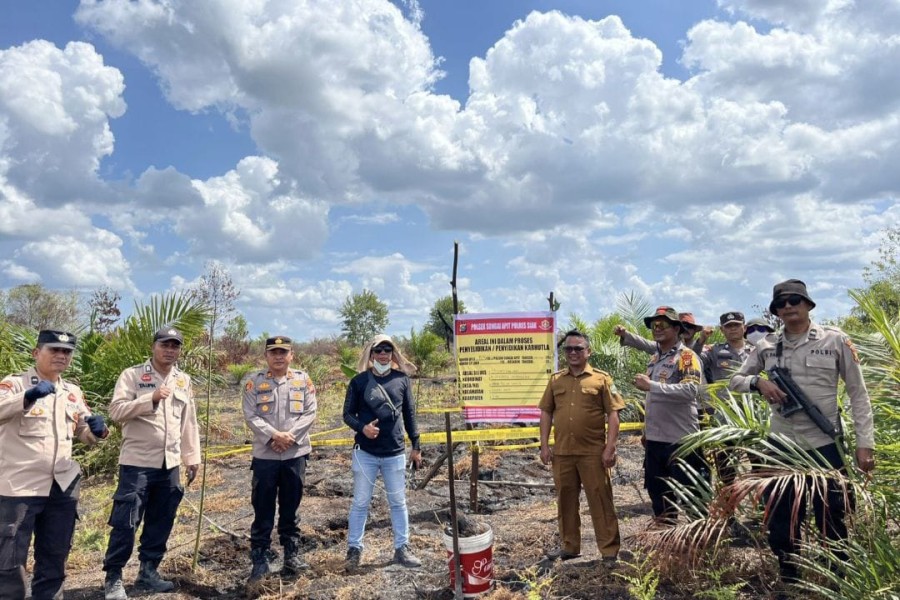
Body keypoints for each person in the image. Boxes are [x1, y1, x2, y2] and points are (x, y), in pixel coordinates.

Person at [730, 279, 875, 586]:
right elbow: (736, 380)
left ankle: (836, 580)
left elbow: (858, 394)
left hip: (824, 444)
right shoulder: (766, 346)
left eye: (795, 300)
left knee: (832, 516)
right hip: (781, 446)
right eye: (781, 304)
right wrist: (759, 383)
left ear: (808, 304)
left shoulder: (835, 340)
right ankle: (790, 578)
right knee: (782, 519)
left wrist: (866, 444)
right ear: (775, 312)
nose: (788, 307)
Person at [0, 330, 108, 600]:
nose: (61, 356)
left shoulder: (72, 392)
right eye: (54, 350)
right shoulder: (14, 384)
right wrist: (27, 397)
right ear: (37, 353)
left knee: (55, 556)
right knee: (9, 561)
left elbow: (84, 432)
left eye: (67, 352)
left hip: (62, 485)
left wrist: (98, 431)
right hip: (19, 486)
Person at [102, 327, 201, 600]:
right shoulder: (133, 375)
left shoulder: (183, 380)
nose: (170, 350)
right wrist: (150, 399)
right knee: (126, 521)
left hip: (169, 464)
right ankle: (113, 578)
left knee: (161, 519)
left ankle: (148, 573)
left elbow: (188, 421)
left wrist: (191, 458)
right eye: (165, 344)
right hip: (137, 463)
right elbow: (116, 411)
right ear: (154, 346)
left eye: (175, 346)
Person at [538, 330, 624, 562]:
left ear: (588, 351)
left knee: (600, 500)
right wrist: (544, 445)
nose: (573, 352)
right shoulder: (556, 380)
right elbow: (546, 412)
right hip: (563, 453)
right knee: (565, 500)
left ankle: (609, 550)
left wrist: (610, 447)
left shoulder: (601, 379)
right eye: (568, 349)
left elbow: (613, 415)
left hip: (593, 453)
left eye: (578, 348)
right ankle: (569, 546)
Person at [342, 334, 422, 571]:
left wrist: (416, 446)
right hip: (365, 453)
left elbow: (410, 414)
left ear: (393, 354)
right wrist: (362, 428)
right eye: (378, 350)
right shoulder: (358, 382)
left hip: (394, 452)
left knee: (398, 502)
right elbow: (347, 415)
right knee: (360, 503)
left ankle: (402, 548)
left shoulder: (402, 380)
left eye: (387, 350)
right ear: (371, 354)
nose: (383, 354)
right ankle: (354, 550)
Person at [242, 336, 317, 582]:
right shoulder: (254, 383)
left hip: (295, 454)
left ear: (291, 355)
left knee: (291, 507)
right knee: (262, 508)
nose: (278, 356)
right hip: (266, 456)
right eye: (273, 352)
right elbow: (251, 415)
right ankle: (260, 558)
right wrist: (274, 435)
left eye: (283, 352)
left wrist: (290, 437)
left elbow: (310, 412)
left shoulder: (303, 380)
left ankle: (292, 555)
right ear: (266, 356)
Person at [629, 307, 708, 521]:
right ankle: (668, 545)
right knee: (660, 498)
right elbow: (653, 399)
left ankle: (701, 545)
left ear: (676, 328)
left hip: (681, 441)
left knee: (693, 499)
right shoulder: (656, 358)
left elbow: (691, 391)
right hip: (655, 441)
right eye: (654, 325)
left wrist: (651, 385)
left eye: (663, 324)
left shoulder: (687, 357)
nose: (657, 329)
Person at [700, 312, 753, 485]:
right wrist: (700, 340)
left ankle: (763, 506)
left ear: (744, 327)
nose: (733, 329)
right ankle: (729, 508)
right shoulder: (714, 351)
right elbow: (692, 359)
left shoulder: (756, 350)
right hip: (725, 414)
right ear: (722, 330)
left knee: (759, 461)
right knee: (726, 465)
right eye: (728, 326)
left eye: (736, 325)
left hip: (753, 414)